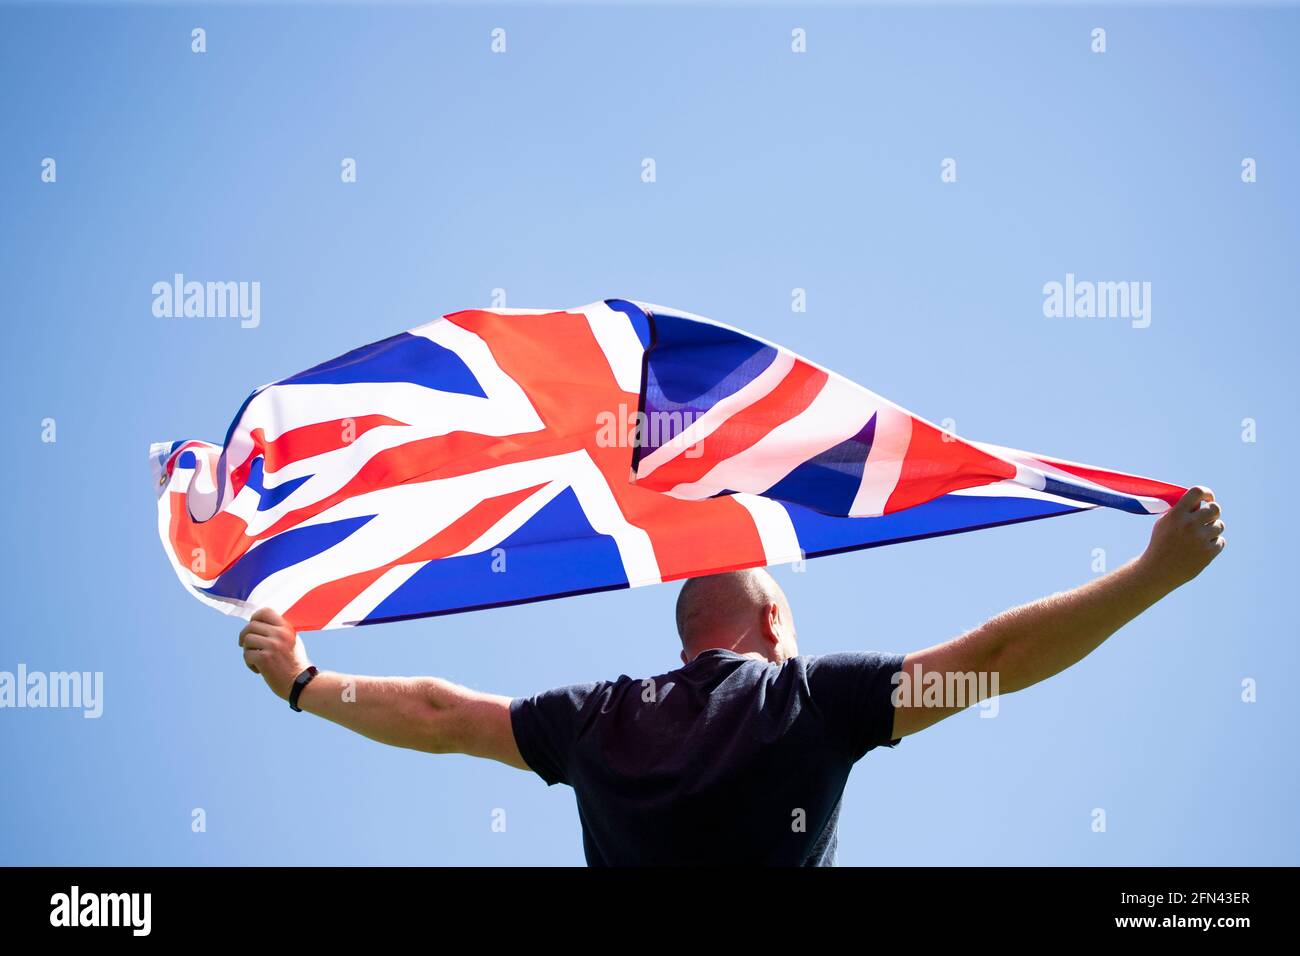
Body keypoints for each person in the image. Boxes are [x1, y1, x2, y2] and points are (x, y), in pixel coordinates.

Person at [238, 486, 1225, 865]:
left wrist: (303, 678)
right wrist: (1152, 575)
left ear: (683, 642)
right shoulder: (811, 699)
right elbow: (993, 662)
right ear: (774, 621)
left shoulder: (595, 720)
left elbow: (441, 713)